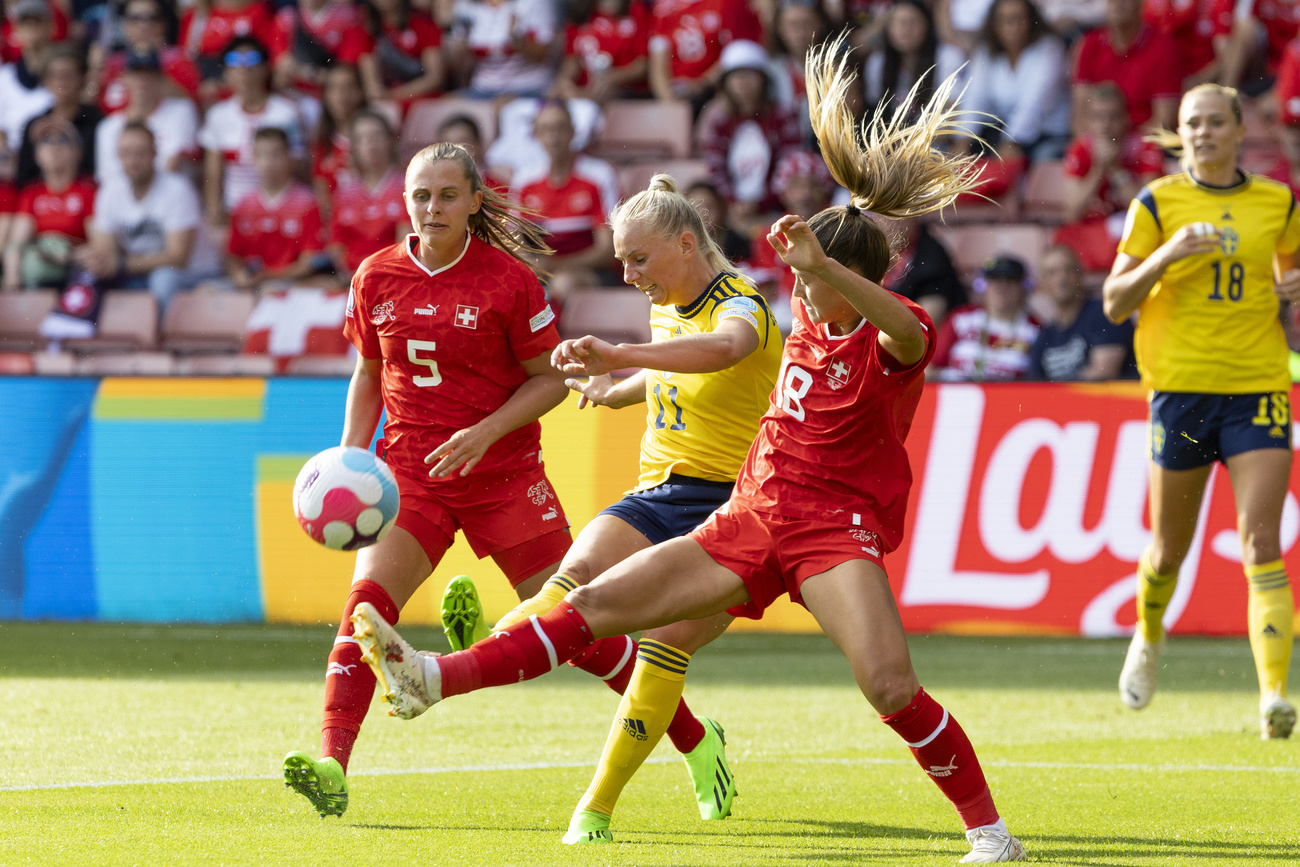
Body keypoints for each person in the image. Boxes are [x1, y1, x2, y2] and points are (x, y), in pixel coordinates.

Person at [347, 39, 1028, 864]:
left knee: (889, 685)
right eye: (803, 282)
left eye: (815, 283)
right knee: (593, 607)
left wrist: (827, 268)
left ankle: (990, 832)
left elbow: (897, 325)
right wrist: (623, 382)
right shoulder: (803, 318)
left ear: (847, 280)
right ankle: (431, 677)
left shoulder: (891, 342)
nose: (803, 296)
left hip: (829, 529)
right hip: (748, 514)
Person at [280, 138, 641, 820]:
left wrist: (484, 432)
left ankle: (691, 734)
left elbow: (551, 383)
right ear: (404, 201)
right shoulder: (376, 274)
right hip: (413, 477)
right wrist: (352, 459)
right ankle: (333, 759)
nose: (432, 206)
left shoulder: (508, 280)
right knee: (365, 611)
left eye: (448, 194)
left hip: (504, 476)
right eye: (421, 194)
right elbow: (368, 371)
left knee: (575, 628)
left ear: (476, 201)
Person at [443, 169, 784, 843]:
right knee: (569, 587)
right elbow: (675, 370)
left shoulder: (741, 302)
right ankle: (473, 652)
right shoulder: (669, 300)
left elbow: (727, 349)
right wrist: (616, 388)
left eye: (638, 258)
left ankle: (595, 807)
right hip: (660, 492)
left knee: (663, 645)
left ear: (686, 244)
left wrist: (621, 351)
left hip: (738, 508)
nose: (628, 275)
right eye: (622, 259)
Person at [1103, 83, 1298, 741]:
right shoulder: (1157, 203)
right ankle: (1150, 633)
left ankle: (1274, 695)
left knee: (1261, 541)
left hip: (1258, 385)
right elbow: (1114, 301)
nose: (1204, 132)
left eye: (1217, 122)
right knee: (1168, 549)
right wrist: (1168, 253)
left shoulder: (1277, 200)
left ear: (1241, 130)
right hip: (1181, 392)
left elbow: (1287, 276)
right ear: (1179, 132)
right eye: (1193, 123)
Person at [76, 121, 218, 310]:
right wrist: (95, 261)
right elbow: (105, 250)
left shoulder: (177, 189)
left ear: (154, 154)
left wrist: (119, 264)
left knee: (163, 278)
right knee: (88, 276)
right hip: (138, 272)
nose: (133, 160)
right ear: (118, 156)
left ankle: (158, 339)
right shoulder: (109, 191)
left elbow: (177, 257)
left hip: (193, 274)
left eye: (140, 152)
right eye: (126, 153)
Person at [511, 100, 619, 309]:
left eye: (560, 128)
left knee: (563, 283)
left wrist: (554, 266)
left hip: (593, 272)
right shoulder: (524, 180)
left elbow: (608, 250)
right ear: (536, 134)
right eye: (546, 129)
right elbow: (514, 242)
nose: (553, 137)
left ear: (573, 131)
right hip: (542, 271)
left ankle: (553, 341)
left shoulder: (599, 176)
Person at [197, 35, 305, 225]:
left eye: (252, 59)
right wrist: (214, 208)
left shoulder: (286, 113)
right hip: (234, 213)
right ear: (226, 72)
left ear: (266, 68)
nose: (244, 68)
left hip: (281, 210)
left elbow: (296, 166)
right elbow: (214, 171)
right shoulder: (218, 115)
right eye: (235, 61)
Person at [1057, 82, 1164, 273]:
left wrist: (1115, 169)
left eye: (1112, 117)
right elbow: (1071, 213)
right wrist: (1099, 167)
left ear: (1125, 119)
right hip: (1093, 235)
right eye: (1098, 118)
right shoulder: (1080, 149)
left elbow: (1147, 209)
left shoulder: (1145, 147)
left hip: (1133, 233)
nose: (1105, 125)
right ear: (1088, 121)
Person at [697, 39, 803, 232]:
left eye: (750, 75)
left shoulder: (783, 116)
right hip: (730, 214)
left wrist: (760, 204)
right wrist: (733, 203)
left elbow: (788, 167)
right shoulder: (719, 121)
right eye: (736, 76)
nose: (743, 82)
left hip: (777, 211)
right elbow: (715, 168)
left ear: (764, 79)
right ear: (725, 82)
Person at [960, 0, 1070, 162]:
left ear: (1031, 20)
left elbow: (1034, 104)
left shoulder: (1049, 49)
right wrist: (963, 139)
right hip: (1004, 132)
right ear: (994, 24)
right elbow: (975, 97)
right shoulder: (985, 51)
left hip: (1047, 133)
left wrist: (1010, 142)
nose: (1011, 26)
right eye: (1004, 19)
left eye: (1018, 18)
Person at [223, 126, 324, 291]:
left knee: (269, 292)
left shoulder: (307, 204)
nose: (268, 161)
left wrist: (268, 276)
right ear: (253, 159)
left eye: (275, 154)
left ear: (289, 157)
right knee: (206, 291)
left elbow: (307, 263)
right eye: (261, 154)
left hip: (289, 284)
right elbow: (233, 255)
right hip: (251, 283)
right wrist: (238, 275)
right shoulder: (243, 205)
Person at [1, 115, 94, 290]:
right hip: (38, 267)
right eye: (45, 141)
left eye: (62, 140)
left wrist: (68, 255)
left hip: (77, 269)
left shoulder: (89, 190)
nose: (53, 147)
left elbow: (99, 245)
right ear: (36, 154)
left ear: (78, 152)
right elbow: (16, 243)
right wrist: (12, 278)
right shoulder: (32, 192)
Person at [94, 47, 199, 192]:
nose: (142, 81)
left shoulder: (181, 111)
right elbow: (109, 181)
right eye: (136, 74)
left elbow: (173, 166)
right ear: (124, 78)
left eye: (148, 74)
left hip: (170, 198)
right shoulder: (108, 127)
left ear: (160, 79)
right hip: (127, 203)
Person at [1071, 0, 1180, 132]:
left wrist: (1128, 148)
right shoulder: (1089, 45)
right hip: (1098, 144)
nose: (1118, 3)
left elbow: (1165, 121)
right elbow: (1080, 116)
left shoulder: (1163, 48)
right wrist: (1094, 148)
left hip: (1144, 145)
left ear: (1140, 4)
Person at [1027, 244, 1132, 381]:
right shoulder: (1045, 336)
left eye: (1069, 270)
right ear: (1042, 284)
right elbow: (1033, 387)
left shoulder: (1105, 313)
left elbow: (1104, 372)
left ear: (1081, 276)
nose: (1061, 279)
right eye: (1052, 273)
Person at [928, 255, 1040, 382]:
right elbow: (931, 367)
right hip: (955, 395)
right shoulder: (960, 318)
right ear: (983, 284)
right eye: (994, 279)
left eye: (1010, 280)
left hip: (1008, 399)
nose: (1002, 286)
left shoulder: (1035, 330)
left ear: (1024, 287)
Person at [329, 109, 407, 279]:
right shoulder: (344, 192)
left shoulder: (407, 187)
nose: (370, 144)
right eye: (362, 139)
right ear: (354, 148)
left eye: (376, 136)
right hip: (351, 279)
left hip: (393, 277)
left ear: (390, 140)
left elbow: (404, 245)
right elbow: (336, 244)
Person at [863, 0, 965, 126]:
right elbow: (875, 113)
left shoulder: (948, 57)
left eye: (913, 21)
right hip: (891, 139)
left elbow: (953, 118)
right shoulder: (877, 62)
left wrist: (910, 141)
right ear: (887, 29)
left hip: (936, 139)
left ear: (927, 25)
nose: (905, 29)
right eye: (898, 22)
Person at [14, 43, 102, 188]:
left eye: (67, 75)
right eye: (53, 75)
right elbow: (24, 180)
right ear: (45, 80)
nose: (61, 82)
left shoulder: (98, 123)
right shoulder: (34, 125)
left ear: (82, 77)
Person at [357, 0, 445, 106]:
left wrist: (392, 95)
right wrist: (382, 96)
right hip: (388, 103)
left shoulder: (424, 23)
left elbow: (435, 79)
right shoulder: (367, 29)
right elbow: (372, 87)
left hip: (424, 100)